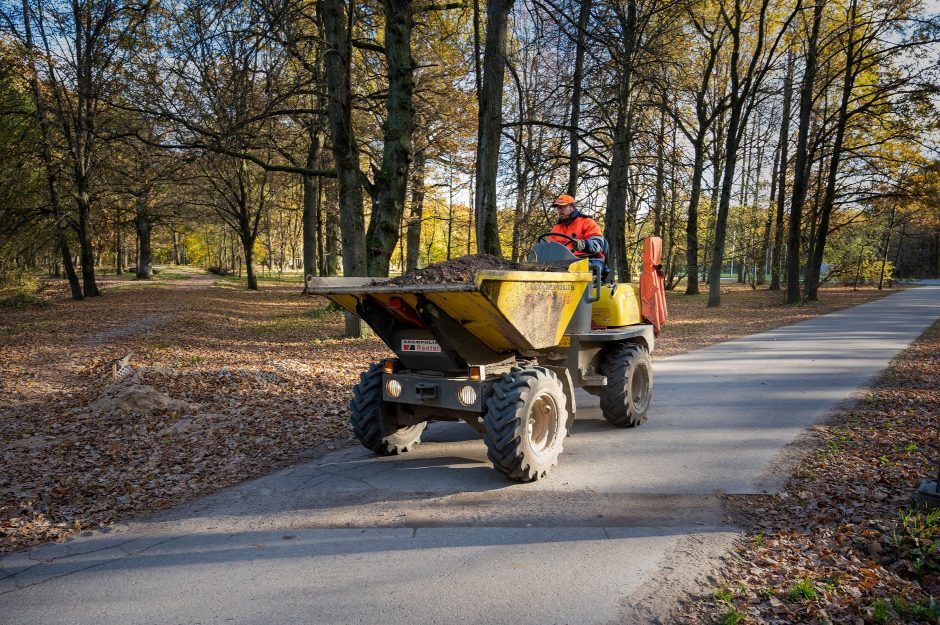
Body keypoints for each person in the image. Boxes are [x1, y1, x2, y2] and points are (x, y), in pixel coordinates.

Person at [548, 194, 608, 279]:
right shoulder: (555, 229)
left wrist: (583, 244)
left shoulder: (587, 222)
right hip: (565, 262)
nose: (560, 210)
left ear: (572, 207)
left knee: (576, 269)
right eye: (558, 208)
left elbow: (598, 244)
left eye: (563, 207)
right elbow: (551, 250)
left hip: (589, 259)